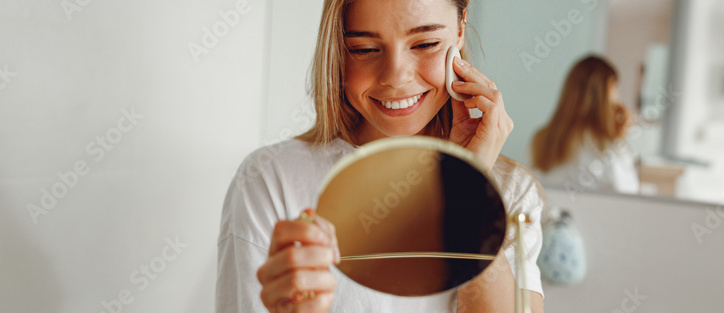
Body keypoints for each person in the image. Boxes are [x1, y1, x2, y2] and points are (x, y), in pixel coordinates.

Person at [216, 0, 546, 312]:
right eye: (365, 49)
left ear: (460, 28)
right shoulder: (270, 179)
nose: (395, 76)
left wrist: (466, 183)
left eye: (424, 44)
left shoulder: (511, 190)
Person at [528, 55, 639, 194]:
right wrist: (620, 138)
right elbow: (628, 193)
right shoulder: (608, 146)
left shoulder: (540, 140)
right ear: (610, 88)